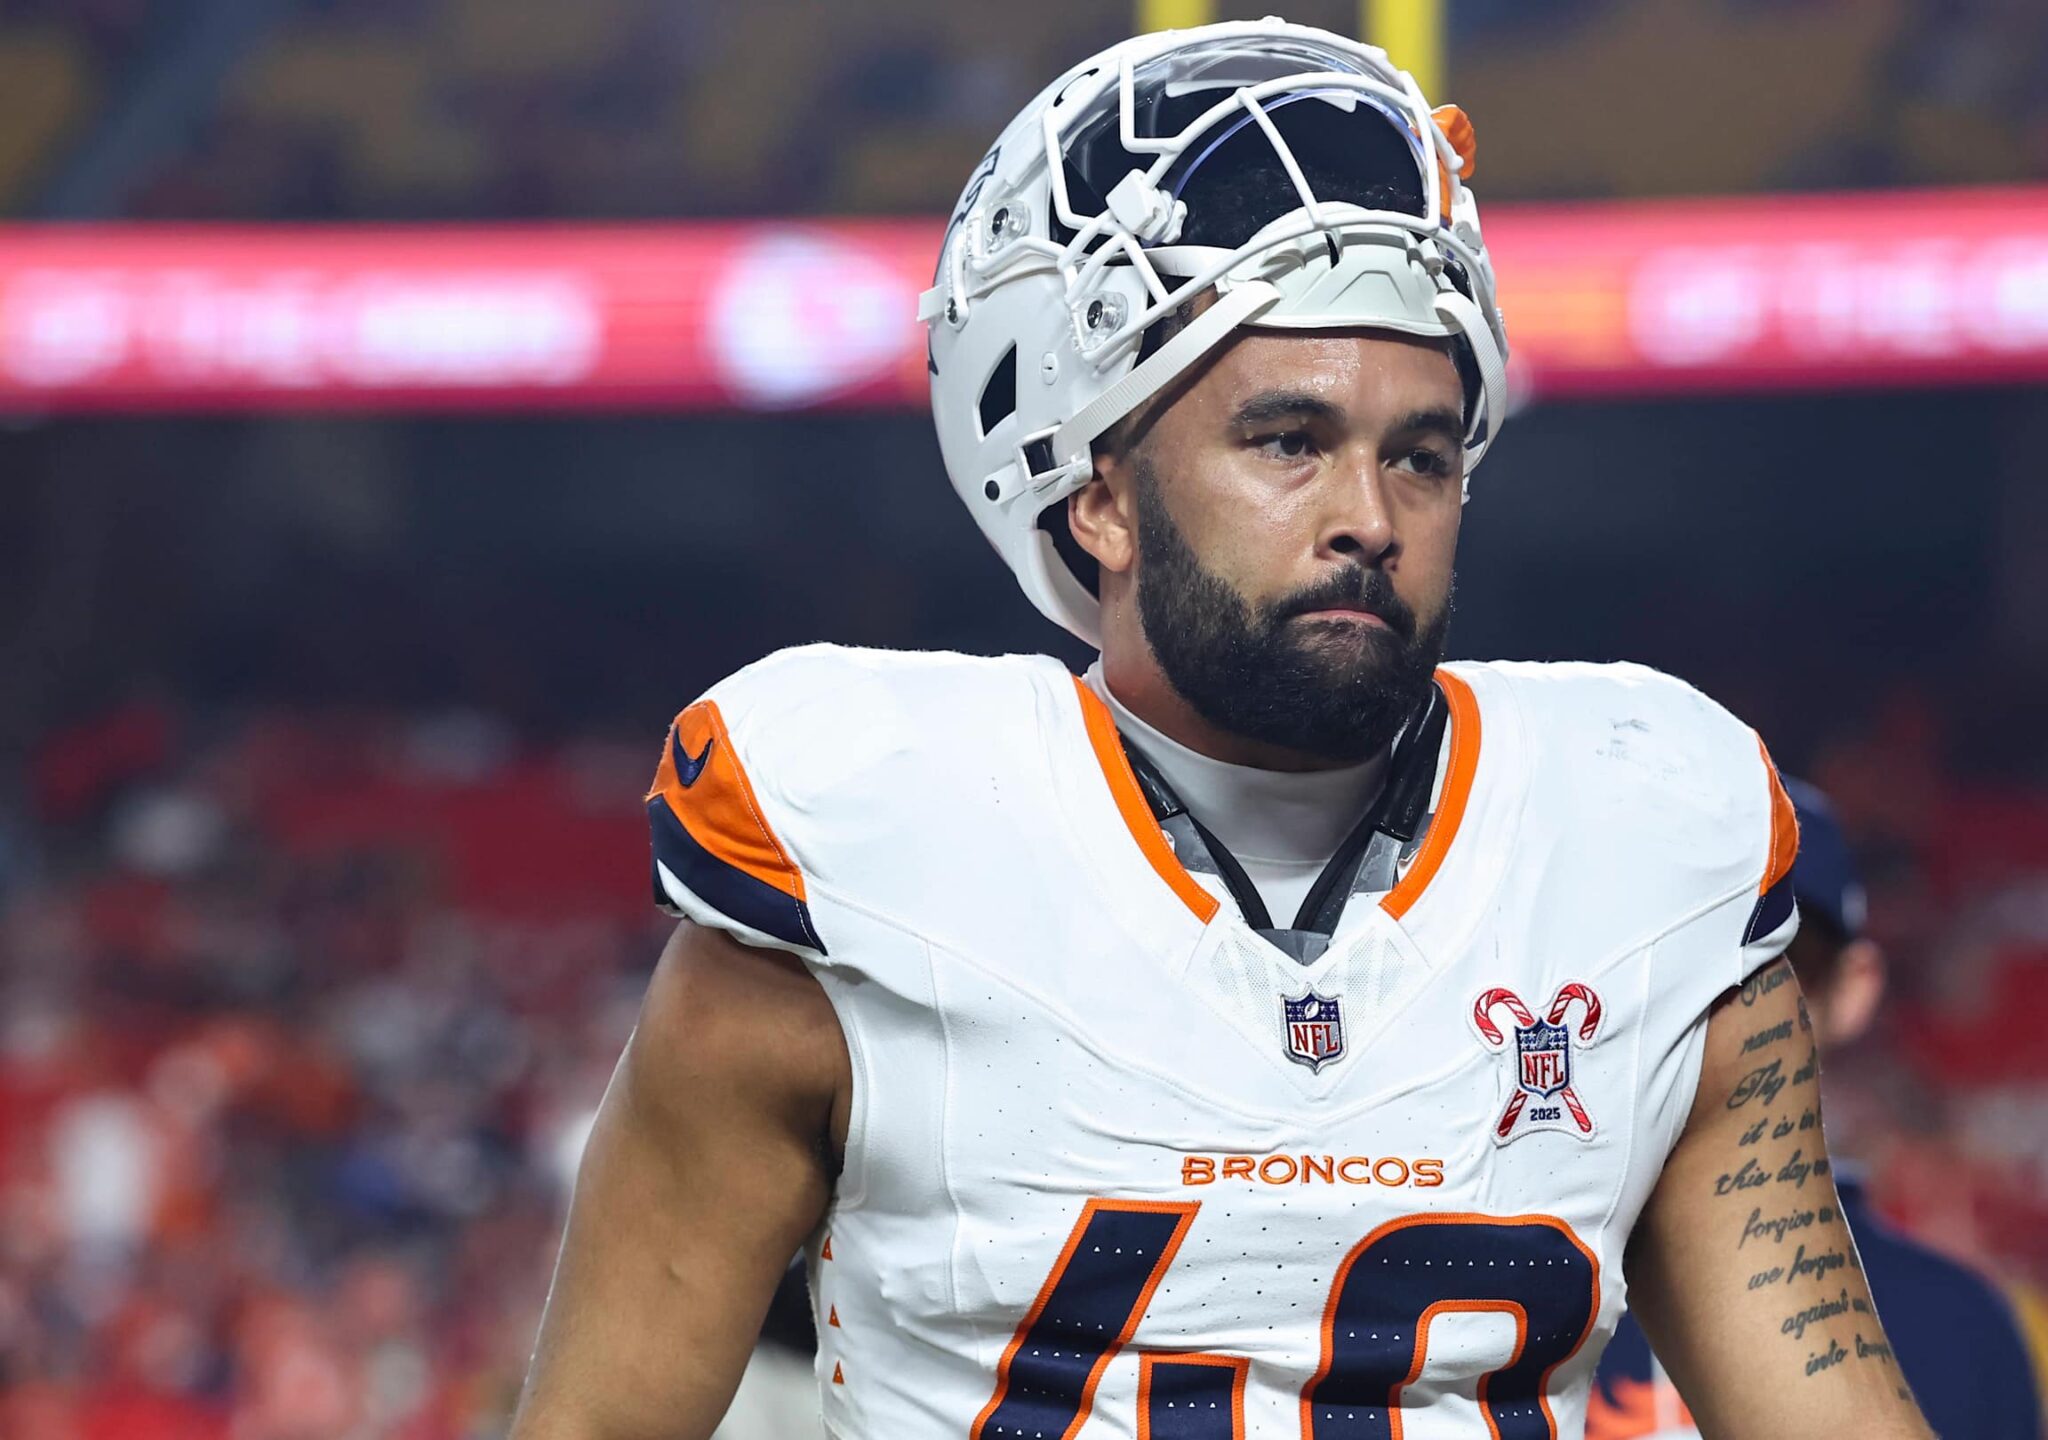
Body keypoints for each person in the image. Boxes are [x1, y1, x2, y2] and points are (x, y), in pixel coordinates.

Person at [506, 19, 1932, 1439]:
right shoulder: (856, 868)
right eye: (1288, 441)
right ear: (1100, 498)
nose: (1369, 518)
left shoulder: (1649, 851)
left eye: (1420, 456)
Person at [1586, 780, 2043, 1439]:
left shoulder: (1961, 1330)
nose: (1733, 1005)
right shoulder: (1516, 1275)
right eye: (1680, 953)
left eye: (1780, 964)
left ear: (1853, 990)